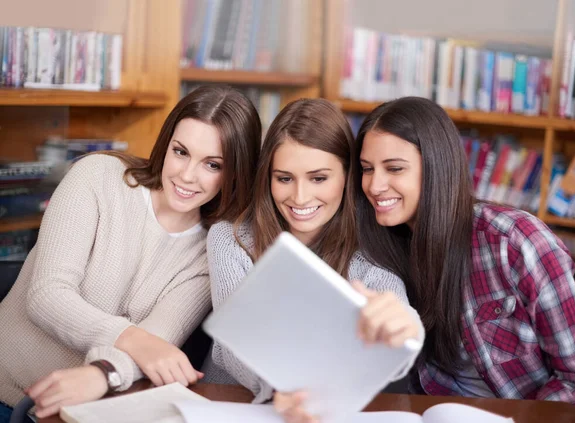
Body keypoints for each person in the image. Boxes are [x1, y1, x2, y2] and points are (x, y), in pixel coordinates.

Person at [0, 85, 262, 421]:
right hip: (6, 391)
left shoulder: (211, 248)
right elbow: (46, 295)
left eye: (212, 164)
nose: (186, 175)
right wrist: (131, 338)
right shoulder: (98, 177)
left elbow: (159, 339)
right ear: (165, 144)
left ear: (235, 172)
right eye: (180, 152)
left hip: (76, 413)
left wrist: (105, 373)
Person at [345, 96, 575, 417]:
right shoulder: (379, 254)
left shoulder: (516, 241)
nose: (375, 185)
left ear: (437, 167)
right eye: (367, 169)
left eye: (394, 168)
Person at [204, 98, 424, 410]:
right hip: (230, 405)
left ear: (347, 177)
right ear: (268, 178)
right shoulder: (231, 239)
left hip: (320, 411)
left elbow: (399, 327)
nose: (300, 197)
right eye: (284, 178)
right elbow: (233, 345)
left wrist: (406, 328)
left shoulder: (369, 254)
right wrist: (283, 389)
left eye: (319, 178)